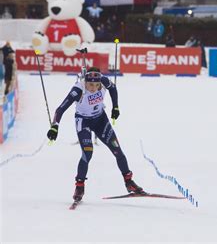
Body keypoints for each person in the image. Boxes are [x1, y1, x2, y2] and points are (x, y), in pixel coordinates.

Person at [46, 67, 144, 203]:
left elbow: (113, 88)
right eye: (90, 84)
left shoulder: (103, 80)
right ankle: (79, 186)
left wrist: (115, 107)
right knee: (87, 153)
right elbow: (60, 109)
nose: (93, 88)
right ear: (85, 82)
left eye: (96, 85)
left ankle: (129, 182)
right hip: (83, 121)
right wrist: (54, 127)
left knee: (117, 150)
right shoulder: (78, 90)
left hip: (100, 120)